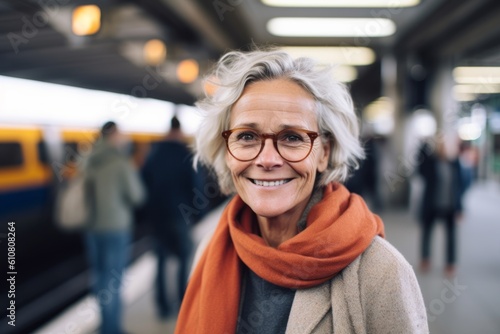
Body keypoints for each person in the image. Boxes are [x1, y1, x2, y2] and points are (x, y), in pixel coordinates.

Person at [175, 49, 428, 333]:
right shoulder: (211, 250)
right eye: (247, 136)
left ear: (324, 153)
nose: (267, 159)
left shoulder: (381, 273)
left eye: (292, 137)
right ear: (227, 150)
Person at [84, 121, 146, 334]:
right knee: (114, 279)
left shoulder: (87, 159)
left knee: (99, 276)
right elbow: (137, 196)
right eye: (120, 134)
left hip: (92, 227)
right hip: (116, 227)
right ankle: (112, 329)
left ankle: (104, 324)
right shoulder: (120, 161)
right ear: (113, 136)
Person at [141, 116, 196, 318]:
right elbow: (195, 185)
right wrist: (197, 212)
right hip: (180, 215)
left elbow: (143, 183)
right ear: (179, 131)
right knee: (184, 257)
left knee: (162, 260)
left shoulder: (153, 153)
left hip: (158, 217)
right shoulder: (184, 153)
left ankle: (163, 307)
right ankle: (183, 302)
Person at [418, 136, 464, 277]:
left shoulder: (454, 164)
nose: (444, 149)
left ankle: (450, 263)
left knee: (451, 236)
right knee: (427, 232)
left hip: (449, 206)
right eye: (441, 146)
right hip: (432, 205)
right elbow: (419, 169)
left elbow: (459, 188)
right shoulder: (431, 163)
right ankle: (425, 259)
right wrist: (424, 146)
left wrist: (460, 208)